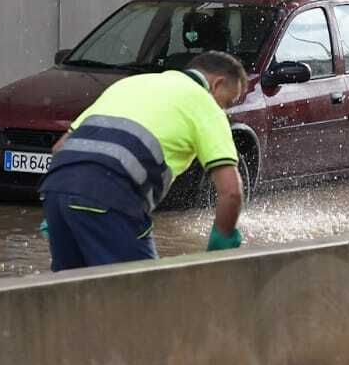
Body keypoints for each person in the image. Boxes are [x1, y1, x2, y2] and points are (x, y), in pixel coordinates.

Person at [39, 51, 247, 270]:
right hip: (110, 195)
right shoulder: (205, 104)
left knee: (74, 288)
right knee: (145, 287)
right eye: (227, 102)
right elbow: (231, 192)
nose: (225, 110)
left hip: (56, 191)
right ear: (217, 84)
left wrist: (64, 199)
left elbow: (60, 147)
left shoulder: (130, 84)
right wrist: (221, 243)